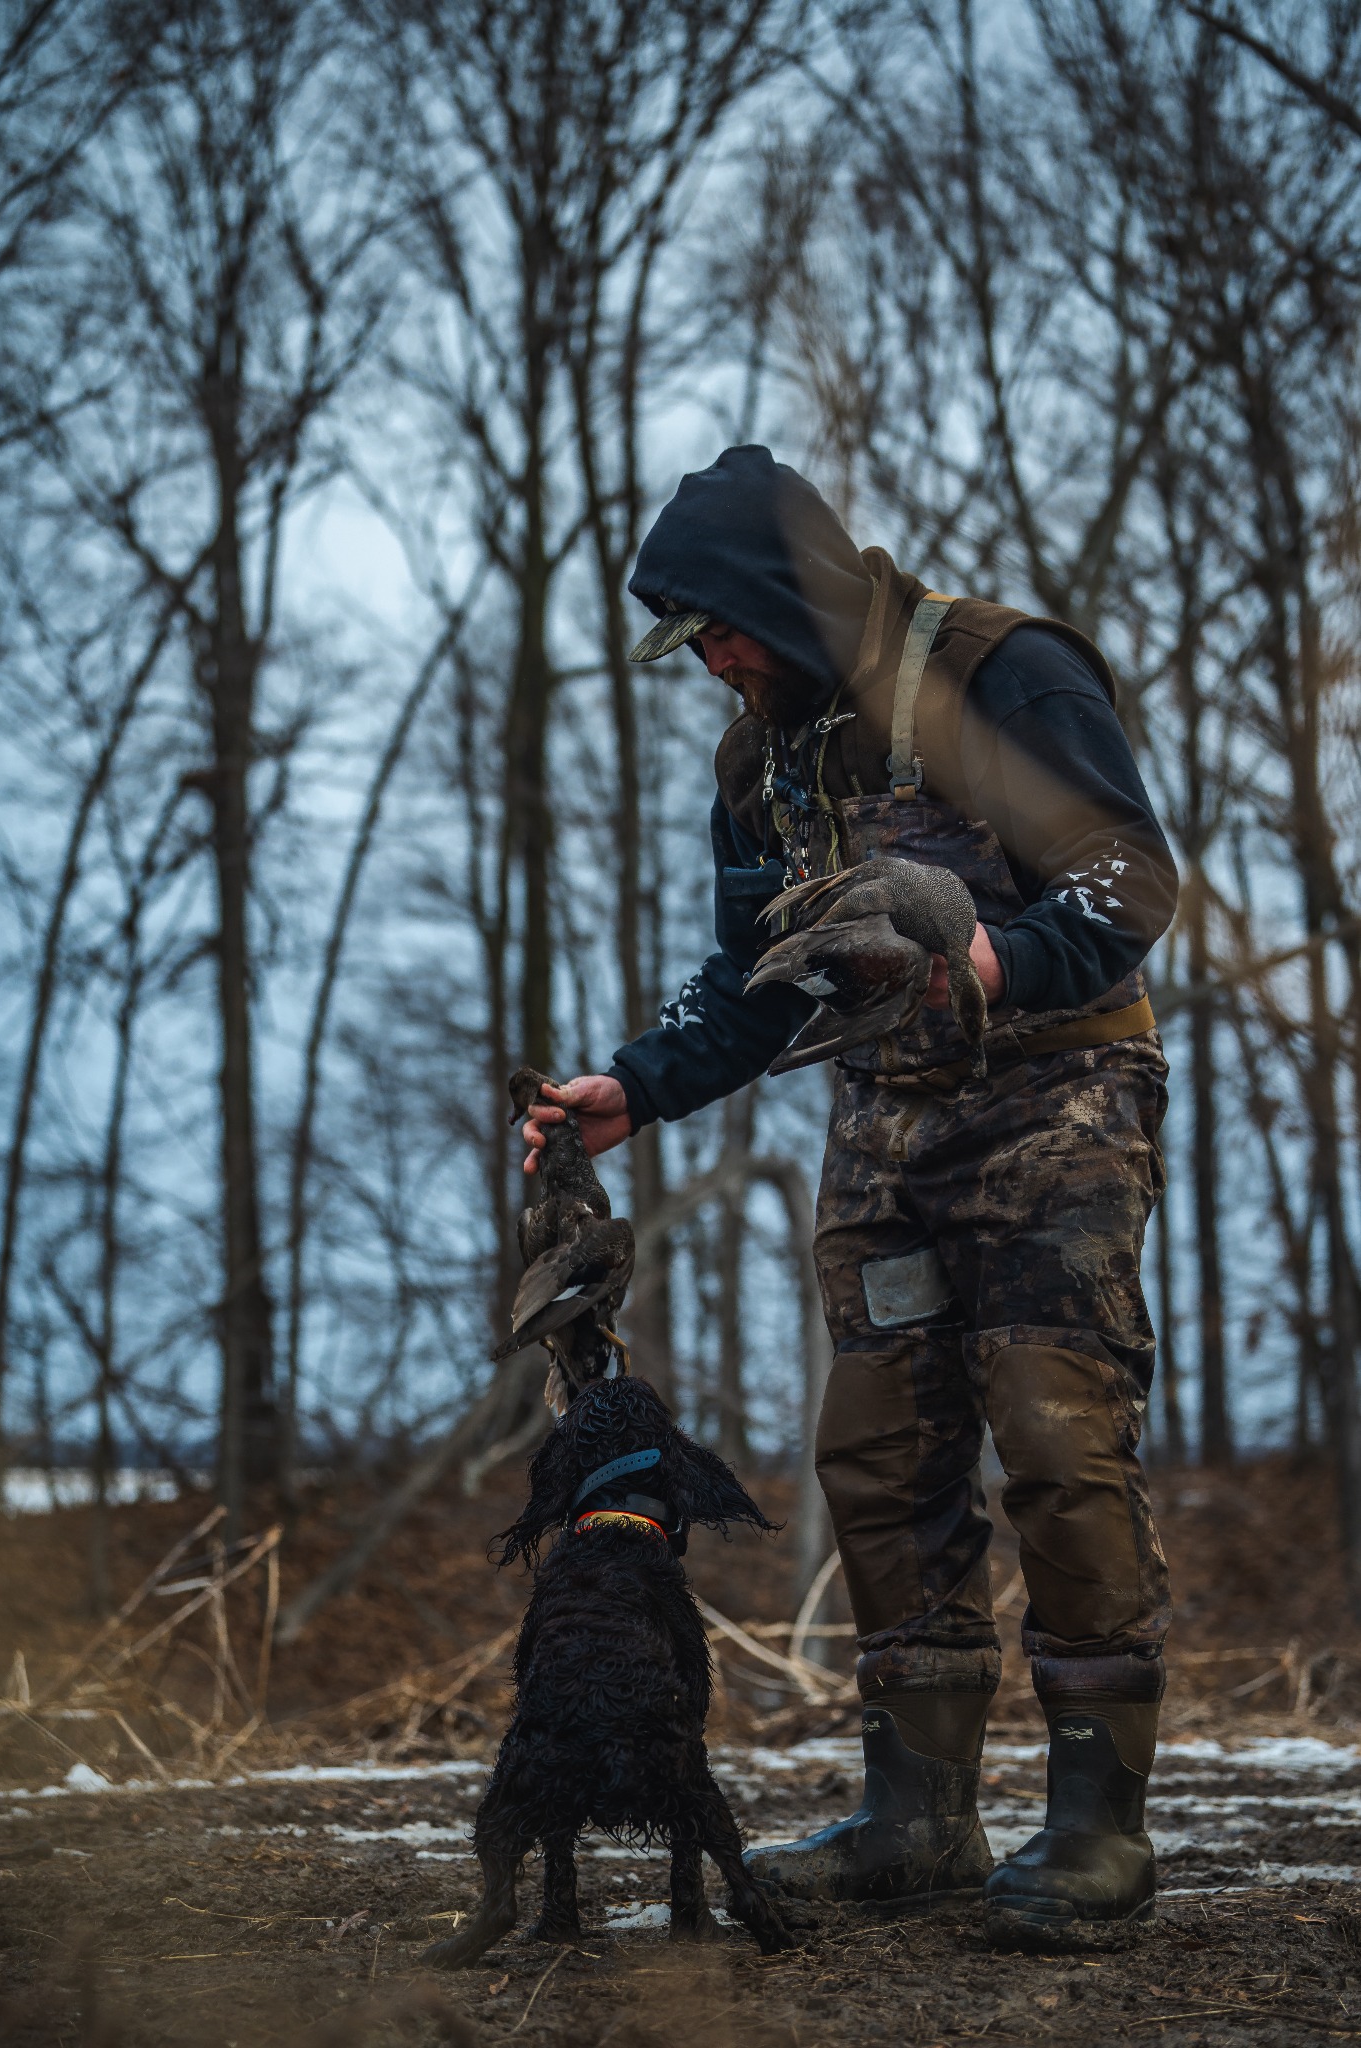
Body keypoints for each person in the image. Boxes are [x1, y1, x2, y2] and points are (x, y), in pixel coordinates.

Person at [520, 445, 1176, 1941]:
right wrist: (639, 1082)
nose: (712, 666)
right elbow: (753, 979)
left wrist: (995, 958)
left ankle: (1094, 1836)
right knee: (878, 1458)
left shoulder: (999, 675)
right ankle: (917, 1820)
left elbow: (1125, 878)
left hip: (1054, 1110)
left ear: (778, 596)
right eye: (691, 647)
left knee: (1058, 1448)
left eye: (720, 631)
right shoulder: (764, 754)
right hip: (884, 1132)